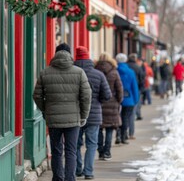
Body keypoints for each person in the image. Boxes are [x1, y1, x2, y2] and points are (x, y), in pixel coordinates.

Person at [33, 43, 92, 181]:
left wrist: (45, 109)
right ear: (70, 54)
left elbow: (36, 95)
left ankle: (58, 178)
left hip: (53, 119)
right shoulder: (79, 72)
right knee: (71, 151)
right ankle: (70, 178)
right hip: (73, 120)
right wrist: (83, 116)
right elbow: (86, 96)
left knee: (56, 151)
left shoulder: (45, 72)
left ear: (55, 54)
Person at [74, 46, 112, 179]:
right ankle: (88, 172)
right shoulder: (98, 74)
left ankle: (78, 169)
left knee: (75, 144)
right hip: (94, 114)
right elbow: (107, 95)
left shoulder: (72, 74)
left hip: (75, 115)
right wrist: (97, 101)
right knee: (92, 144)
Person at [95, 52, 123, 161]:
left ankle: (100, 150)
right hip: (112, 104)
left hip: (99, 104)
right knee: (110, 129)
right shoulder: (114, 72)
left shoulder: (95, 71)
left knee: (98, 129)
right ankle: (107, 152)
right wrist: (119, 101)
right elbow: (119, 89)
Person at [115, 53, 139, 144]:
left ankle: (118, 135)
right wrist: (136, 99)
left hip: (117, 98)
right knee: (126, 118)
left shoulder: (115, 71)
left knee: (117, 117)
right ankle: (124, 136)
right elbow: (134, 87)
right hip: (129, 99)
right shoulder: (130, 72)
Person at [127, 53, 145, 140]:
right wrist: (141, 89)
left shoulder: (126, 67)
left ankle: (122, 134)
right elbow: (142, 79)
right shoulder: (138, 68)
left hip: (124, 92)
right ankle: (131, 133)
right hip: (135, 91)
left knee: (123, 114)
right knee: (132, 114)